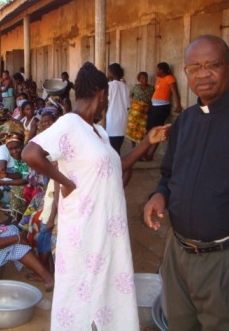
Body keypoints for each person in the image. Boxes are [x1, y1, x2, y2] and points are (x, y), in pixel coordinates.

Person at [22, 62, 170, 330]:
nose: (107, 104)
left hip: (108, 228)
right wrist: (65, 182)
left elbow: (117, 166)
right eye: (107, 98)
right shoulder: (69, 124)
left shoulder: (98, 132)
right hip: (83, 228)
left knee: (109, 287)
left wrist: (148, 141)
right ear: (102, 93)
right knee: (79, 290)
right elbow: (31, 153)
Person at [143, 35, 229, 331]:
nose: (203, 74)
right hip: (178, 255)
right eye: (194, 67)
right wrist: (159, 195)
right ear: (185, 72)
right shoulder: (185, 120)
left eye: (213, 65)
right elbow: (169, 174)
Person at [145, 62, 182, 161]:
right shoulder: (159, 79)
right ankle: (145, 152)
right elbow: (156, 92)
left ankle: (151, 154)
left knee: (157, 130)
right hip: (154, 106)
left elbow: (174, 92)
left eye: (157, 69)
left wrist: (178, 105)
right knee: (149, 129)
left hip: (162, 108)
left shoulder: (170, 78)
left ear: (161, 70)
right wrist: (150, 105)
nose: (156, 71)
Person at [125, 72, 155, 147]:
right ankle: (133, 147)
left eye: (146, 78)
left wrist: (149, 106)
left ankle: (140, 148)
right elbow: (131, 95)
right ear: (139, 80)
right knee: (133, 128)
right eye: (143, 78)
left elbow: (153, 99)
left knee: (142, 130)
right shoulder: (136, 87)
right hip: (134, 112)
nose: (145, 79)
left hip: (145, 111)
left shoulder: (151, 88)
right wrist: (135, 104)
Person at [106, 63, 130, 155]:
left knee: (113, 149)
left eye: (108, 72)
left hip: (112, 119)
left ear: (112, 73)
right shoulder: (125, 86)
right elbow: (128, 105)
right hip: (122, 119)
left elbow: (106, 102)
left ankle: (118, 167)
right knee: (117, 147)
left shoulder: (109, 86)